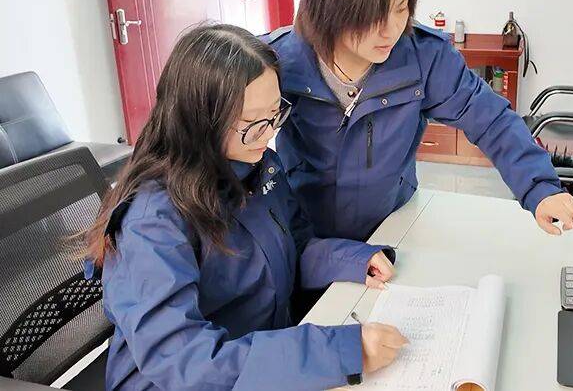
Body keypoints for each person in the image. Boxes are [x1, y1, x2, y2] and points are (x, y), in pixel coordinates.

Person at [83, 24, 406, 390]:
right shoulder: (152, 221)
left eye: (275, 114)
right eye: (252, 124)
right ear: (200, 121)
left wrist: (353, 259)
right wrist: (337, 352)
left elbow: (296, 245)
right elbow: (186, 361)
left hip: (256, 361)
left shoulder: (257, 166)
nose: (269, 134)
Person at [263, 0, 573, 242]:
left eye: (400, 9)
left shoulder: (424, 57)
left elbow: (491, 120)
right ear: (327, 8)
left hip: (392, 226)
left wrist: (540, 187)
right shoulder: (278, 62)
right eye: (371, 16)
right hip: (305, 236)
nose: (391, 30)